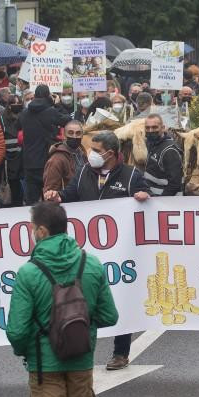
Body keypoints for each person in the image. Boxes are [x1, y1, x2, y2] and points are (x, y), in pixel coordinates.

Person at [6, 202, 118, 397]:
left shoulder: (29, 272)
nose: (32, 232)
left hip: (45, 365)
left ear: (42, 231)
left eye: (32, 228)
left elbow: (17, 331)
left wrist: (29, 349)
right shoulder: (90, 263)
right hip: (81, 360)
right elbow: (110, 316)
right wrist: (84, 327)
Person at [43, 130, 149, 370]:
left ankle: (121, 353)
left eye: (97, 151)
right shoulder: (83, 173)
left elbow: (149, 208)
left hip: (122, 254)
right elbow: (68, 196)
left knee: (121, 299)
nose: (91, 154)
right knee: (80, 300)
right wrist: (56, 196)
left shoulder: (132, 176)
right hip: (86, 254)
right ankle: (77, 349)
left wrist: (145, 197)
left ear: (110, 153)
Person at [21, 85, 71, 205]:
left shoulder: (24, 113)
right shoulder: (50, 111)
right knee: (49, 198)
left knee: (31, 202)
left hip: (29, 161)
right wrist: (57, 105)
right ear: (48, 95)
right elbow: (67, 119)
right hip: (47, 161)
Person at [43, 120, 86, 196]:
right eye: (70, 133)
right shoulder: (56, 159)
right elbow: (50, 191)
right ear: (64, 135)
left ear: (82, 135)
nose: (74, 136)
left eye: (78, 133)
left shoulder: (82, 153)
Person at [142, 114, 182, 197]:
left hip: (167, 203)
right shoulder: (151, 144)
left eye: (154, 127)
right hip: (153, 199)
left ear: (163, 128)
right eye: (147, 128)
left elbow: (174, 184)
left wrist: (160, 201)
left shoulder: (170, 150)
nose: (150, 130)